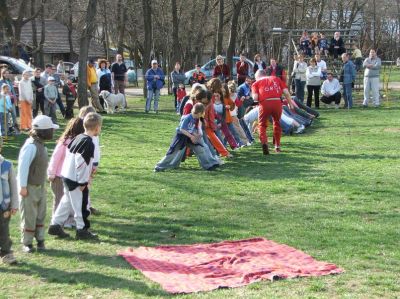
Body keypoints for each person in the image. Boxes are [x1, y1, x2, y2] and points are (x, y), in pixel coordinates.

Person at [48, 112, 102, 240]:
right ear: (97, 127)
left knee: (66, 202)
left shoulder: (77, 138)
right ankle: (82, 230)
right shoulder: (88, 142)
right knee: (81, 205)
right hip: (76, 179)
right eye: (100, 127)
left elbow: (68, 156)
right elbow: (82, 163)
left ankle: (55, 225)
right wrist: (83, 182)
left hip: (66, 176)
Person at [18, 115, 59, 253]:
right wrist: (22, 186)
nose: (53, 133)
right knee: (29, 215)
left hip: (40, 186)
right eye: (51, 130)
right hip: (29, 187)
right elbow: (23, 167)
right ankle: (27, 242)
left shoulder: (42, 146)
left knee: (41, 214)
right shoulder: (30, 146)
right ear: (42, 131)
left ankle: (40, 239)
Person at [154, 103, 220, 172]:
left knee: (200, 148)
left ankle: (208, 165)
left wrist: (195, 135)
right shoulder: (187, 118)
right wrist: (191, 136)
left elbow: (191, 129)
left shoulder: (196, 118)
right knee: (172, 153)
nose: (203, 115)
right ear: (199, 113)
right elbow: (182, 129)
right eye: (203, 113)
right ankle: (159, 166)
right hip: (181, 137)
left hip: (189, 137)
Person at [251, 70, 295, 154]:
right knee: (277, 123)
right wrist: (290, 104)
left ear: (258, 77)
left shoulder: (255, 83)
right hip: (277, 102)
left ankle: (264, 142)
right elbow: (286, 92)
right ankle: (277, 146)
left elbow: (255, 98)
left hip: (264, 103)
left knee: (262, 125)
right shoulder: (276, 79)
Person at [0, 138, 18, 264]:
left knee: (4, 230)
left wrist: (14, 204)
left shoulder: (7, 165)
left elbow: (13, 186)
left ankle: (6, 253)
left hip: (3, 205)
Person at [0, 68, 19, 134]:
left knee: (14, 115)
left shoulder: (10, 81)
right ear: (3, 74)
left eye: (8, 73)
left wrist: (15, 98)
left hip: (11, 100)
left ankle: (16, 130)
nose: (7, 74)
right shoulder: (1, 82)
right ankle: (6, 131)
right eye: (5, 73)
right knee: (6, 117)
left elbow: (13, 91)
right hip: (5, 101)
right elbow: (2, 92)